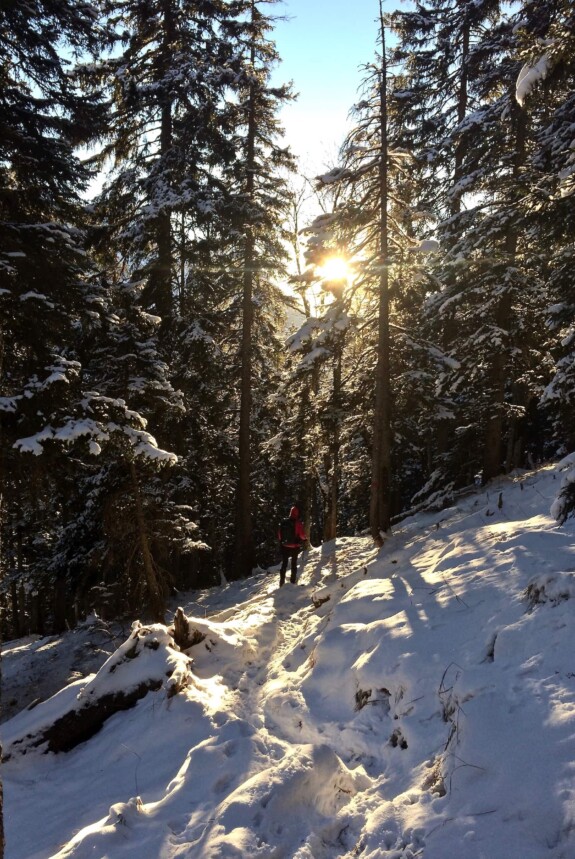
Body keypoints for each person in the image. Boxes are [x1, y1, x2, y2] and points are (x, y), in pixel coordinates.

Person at [277, 505, 306, 586]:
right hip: (294, 546)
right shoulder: (298, 523)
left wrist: (283, 542)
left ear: (290, 513)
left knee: (284, 563)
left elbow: (279, 535)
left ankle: (281, 582)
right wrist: (304, 539)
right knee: (294, 563)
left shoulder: (284, 522)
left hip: (285, 545)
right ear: (297, 513)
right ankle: (292, 581)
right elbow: (302, 535)